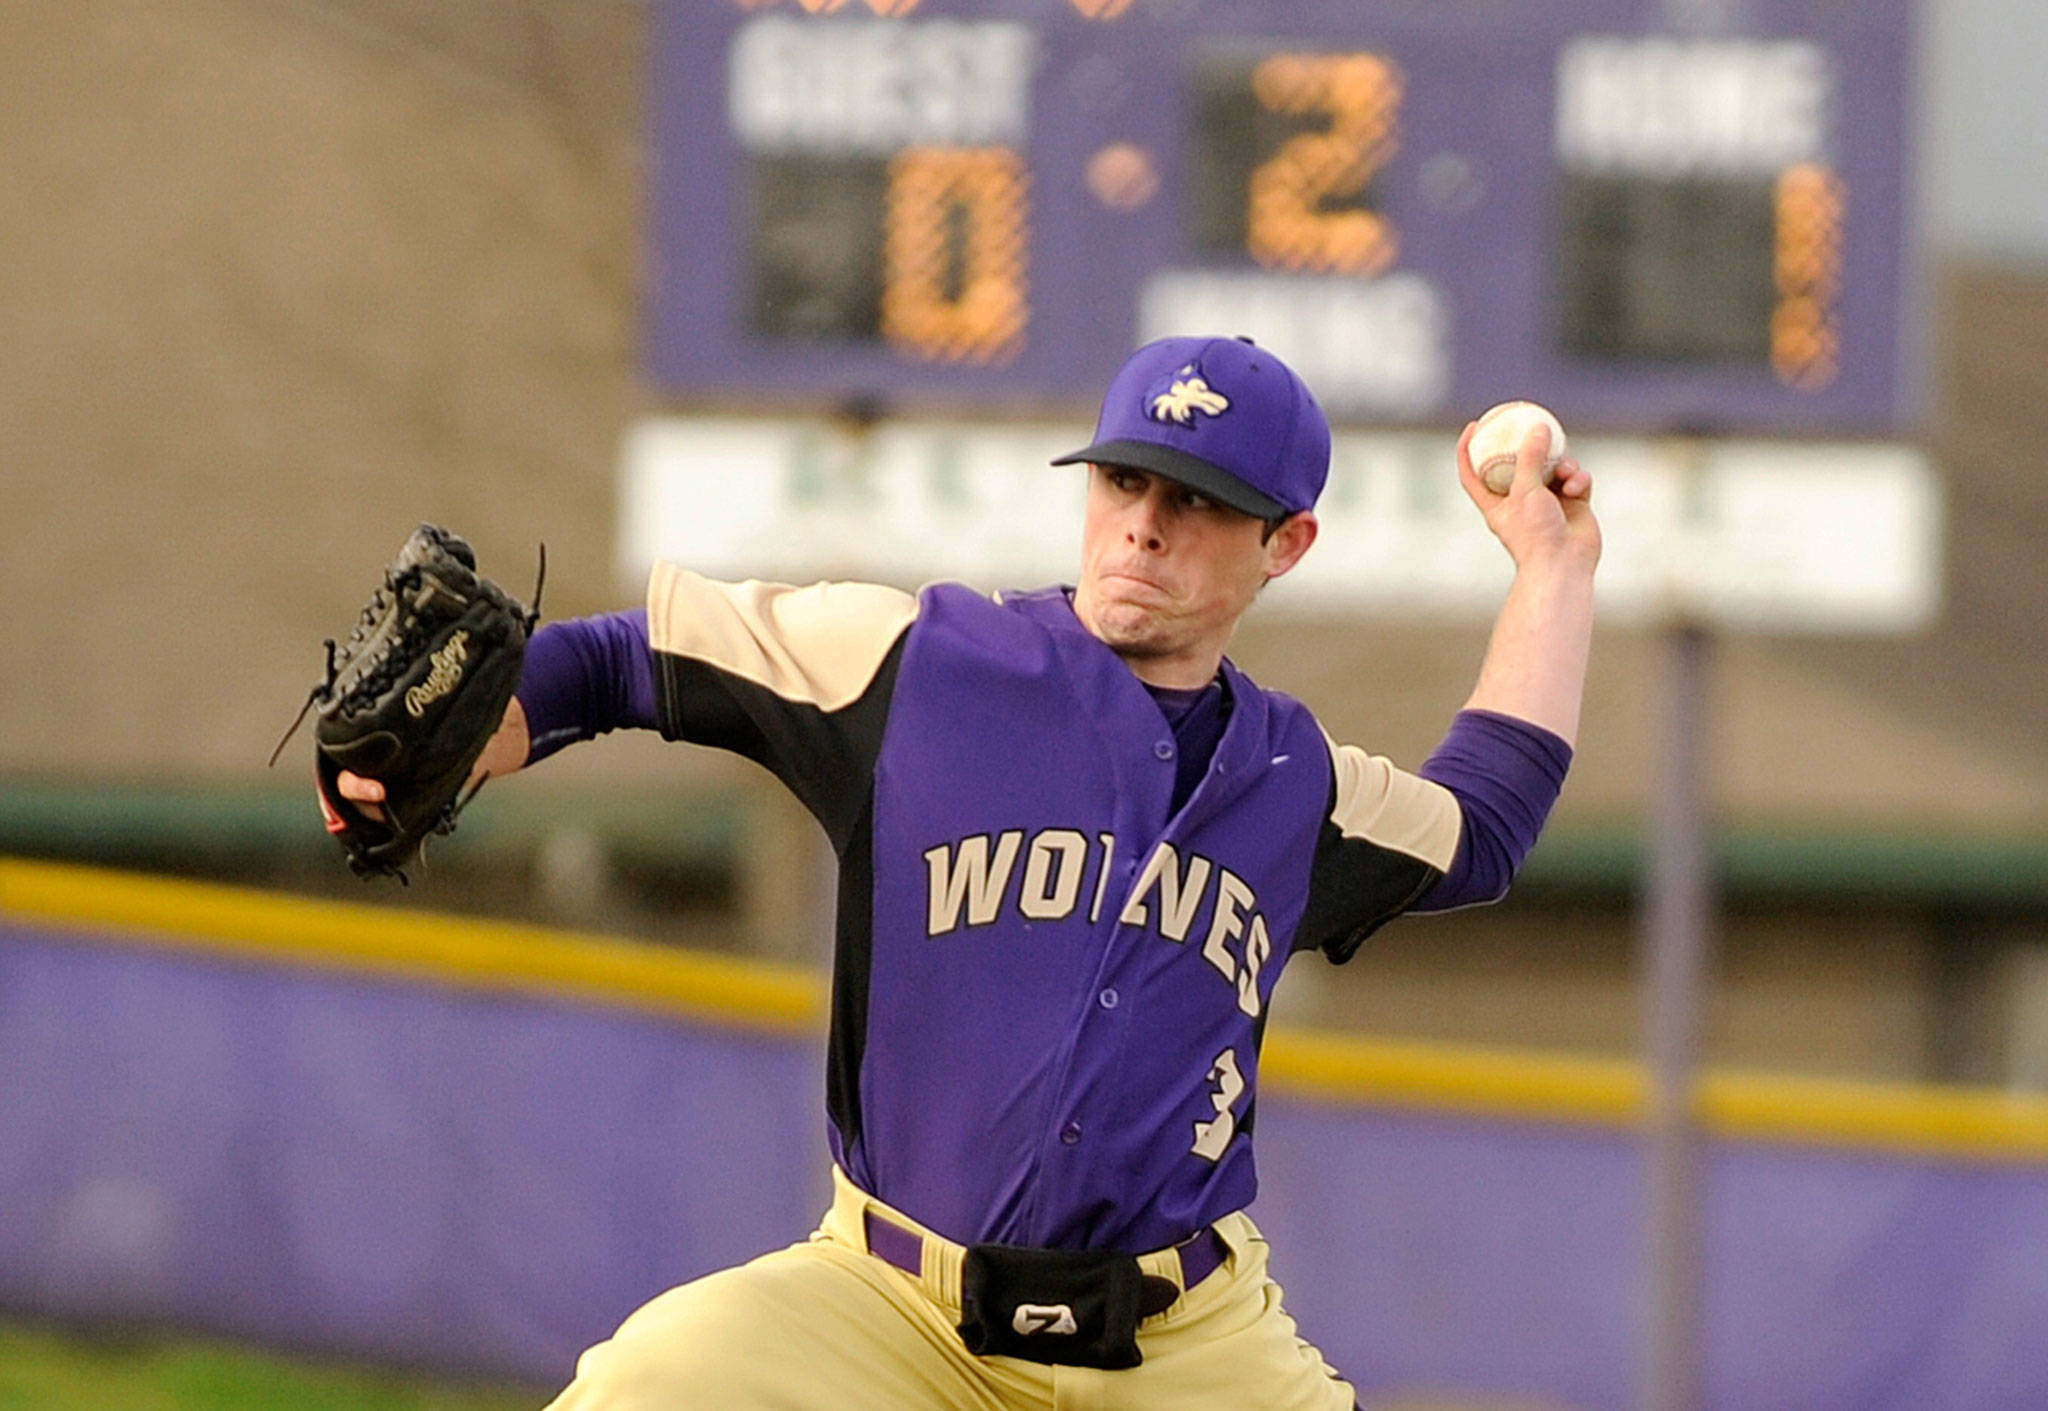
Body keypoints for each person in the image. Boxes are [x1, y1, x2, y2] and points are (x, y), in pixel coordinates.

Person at [334, 334, 1601, 1409]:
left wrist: (1552, 568)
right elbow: (633, 656)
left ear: (1287, 542)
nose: (1144, 526)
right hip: (884, 1309)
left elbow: (1479, 823)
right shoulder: (916, 661)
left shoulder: (1295, 783)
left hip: (1181, 1346)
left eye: (1197, 501)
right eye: (1123, 480)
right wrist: (496, 728)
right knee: (641, 1386)